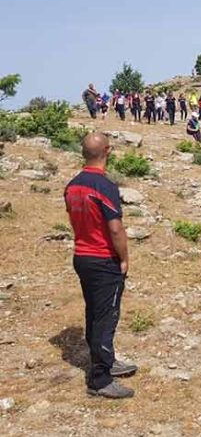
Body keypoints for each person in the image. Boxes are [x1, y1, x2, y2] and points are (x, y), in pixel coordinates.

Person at [64, 132, 137, 399]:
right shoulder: (104, 186)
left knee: (94, 312)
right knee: (106, 317)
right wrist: (125, 259)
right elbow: (115, 229)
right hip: (103, 258)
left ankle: (106, 361)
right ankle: (100, 380)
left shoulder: (72, 185)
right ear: (107, 151)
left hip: (82, 256)